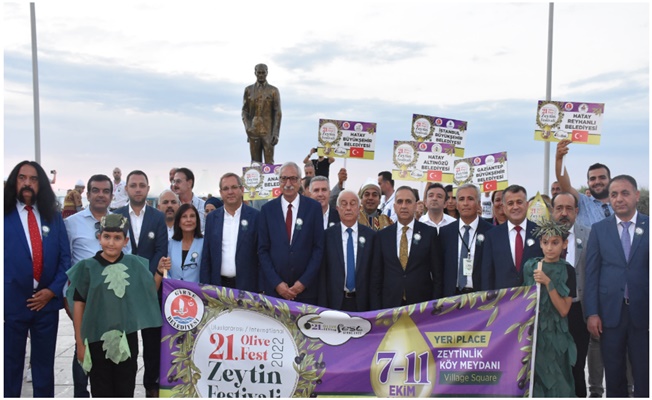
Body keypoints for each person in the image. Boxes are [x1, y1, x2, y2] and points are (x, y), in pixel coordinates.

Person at [66, 214, 163, 397]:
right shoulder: (87, 268)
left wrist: (158, 271)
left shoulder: (133, 264)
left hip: (126, 340)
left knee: (125, 387)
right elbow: (79, 305)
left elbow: (149, 292)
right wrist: (80, 342)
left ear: (125, 241)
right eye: (107, 237)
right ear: (99, 238)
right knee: (100, 388)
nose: (111, 243)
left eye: (117, 238)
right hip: (96, 340)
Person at [4, 161, 71, 397]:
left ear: (41, 184)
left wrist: (52, 291)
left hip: (46, 305)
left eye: (33, 179)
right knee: (10, 367)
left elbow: (65, 259)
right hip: (12, 304)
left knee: (44, 368)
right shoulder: (5, 215)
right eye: (22, 178)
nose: (27, 183)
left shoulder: (53, 217)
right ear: (14, 182)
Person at [555, 139, 614, 397]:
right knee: (585, 349)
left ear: (609, 180)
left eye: (602, 178)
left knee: (613, 345)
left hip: (611, 286)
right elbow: (564, 184)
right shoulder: (584, 205)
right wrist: (559, 159)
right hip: (581, 291)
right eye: (592, 179)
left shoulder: (619, 205)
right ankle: (593, 391)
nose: (597, 182)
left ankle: (623, 389)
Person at [584, 175, 649, 398]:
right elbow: (591, 274)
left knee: (644, 374)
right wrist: (592, 313)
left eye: (625, 193)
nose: (619, 199)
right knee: (614, 374)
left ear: (636, 196)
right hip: (609, 315)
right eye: (614, 194)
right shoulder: (599, 230)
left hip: (644, 314)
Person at [114, 170, 168, 398]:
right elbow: (112, 250)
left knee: (152, 343)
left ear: (147, 189)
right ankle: (124, 386)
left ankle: (151, 387)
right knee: (126, 343)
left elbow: (161, 251)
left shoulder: (157, 217)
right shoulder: (116, 215)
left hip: (150, 290)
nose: (138, 189)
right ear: (126, 188)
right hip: (122, 291)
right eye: (133, 185)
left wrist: (146, 280)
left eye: (142, 185)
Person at [64, 174, 114, 397]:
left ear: (111, 195)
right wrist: (66, 298)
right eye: (96, 190)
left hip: (112, 299)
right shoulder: (71, 224)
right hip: (82, 300)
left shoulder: (119, 222)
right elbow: (65, 262)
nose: (101, 195)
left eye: (105, 191)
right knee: (82, 347)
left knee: (109, 350)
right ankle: (81, 394)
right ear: (88, 194)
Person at [523, 218, 577, 397]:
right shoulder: (530, 266)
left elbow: (563, 310)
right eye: (545, 242)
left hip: (556, 335)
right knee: (535, 379)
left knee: (557, 379)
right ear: (540, 243)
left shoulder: (568, 270)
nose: (549, 248)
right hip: (533, 334)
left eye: (555, 243)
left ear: (564, 244)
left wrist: (548, 283)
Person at [258, 162, 324, 304]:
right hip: (275, 293)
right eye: (284, 178)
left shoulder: (313, 208)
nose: (288, 183)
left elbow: (318, 248)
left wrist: (303, 283)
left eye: (293, 178)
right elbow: (262, 250)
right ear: (279, 181)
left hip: (307, 292)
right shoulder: (267, 210)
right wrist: (277, 284)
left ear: (300, 181)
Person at [370, 186, 443, 309]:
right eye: (400, 202)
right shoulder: (382, 236)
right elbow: (376, 276)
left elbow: (437, 275)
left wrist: (435, 306)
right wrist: (376, 309)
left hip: (421, 305)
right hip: (390, 305)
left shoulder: (429, 233)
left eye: (408, 202)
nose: (404, 206)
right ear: (394, 207)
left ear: (415, 205)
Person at [551, 192, 591, 397]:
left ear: (576, 211)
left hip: (579, 310)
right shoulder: (543, 237)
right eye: (559, 208)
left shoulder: (590, 235)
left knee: (577, 365)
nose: (564, 213)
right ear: (552, 211)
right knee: (553, 365)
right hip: (551, 312)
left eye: (569, 208)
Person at [201, 173, 260, 292]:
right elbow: (207, 255)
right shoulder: (212, 218)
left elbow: (261, 254)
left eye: (234, 187)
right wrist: (205, 287)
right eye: (226, 188)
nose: (230, 192)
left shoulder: (256, 217)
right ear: (221, 193)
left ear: (242, 190)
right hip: (218, 286)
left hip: (248, 287)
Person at [318, 190, 375, 312]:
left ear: (359, 208)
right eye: (344, 204)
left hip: (363, 304)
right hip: (334, 303)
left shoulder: (371, 236)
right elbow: (322, 275)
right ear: (338, 209)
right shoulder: (327, 236)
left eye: (352, 203)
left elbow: (375, 275)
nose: (348, 208)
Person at [481, 185, 543, 290]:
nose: (515, 207)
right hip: (502, 298)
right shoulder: (492, 236)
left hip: (533, 297)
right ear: (504, 208)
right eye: (510, 203)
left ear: (527, 205)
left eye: (519, 202)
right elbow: (487, 274)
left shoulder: (540, 233)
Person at [439, 184, 493, 297]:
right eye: (461, 199)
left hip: (481, 297)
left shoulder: (491, 232)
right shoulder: (445, 232)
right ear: (457, 205)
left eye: (470, 199)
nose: (465, 203)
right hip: (452, 296)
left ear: (478, 203)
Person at [241, 63, 282, 164]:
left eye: (263, 73)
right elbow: (244, 111)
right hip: (253, 131)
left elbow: (277, 112)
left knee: (269, 164)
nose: (261, 75)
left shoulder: (273, 90)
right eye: (259, 73)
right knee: (255, 163)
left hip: (268, 132)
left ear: (267, 73)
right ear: (255, 73)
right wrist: (248, 127)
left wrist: (276, 133)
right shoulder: (248, 90)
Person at [157, 204, 203, 282]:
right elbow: (166, 271)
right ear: (178, 222)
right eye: (184, 216)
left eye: (192, 216)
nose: (188, 220)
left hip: (197, 289)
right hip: (174, 288)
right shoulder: (170, 244)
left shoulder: (204, 243)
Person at [172, 167, 206, 231]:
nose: (175, 185)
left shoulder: (203, 206)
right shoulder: (172, 206)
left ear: (189, 183)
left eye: (178, 181)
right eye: (174, 182)